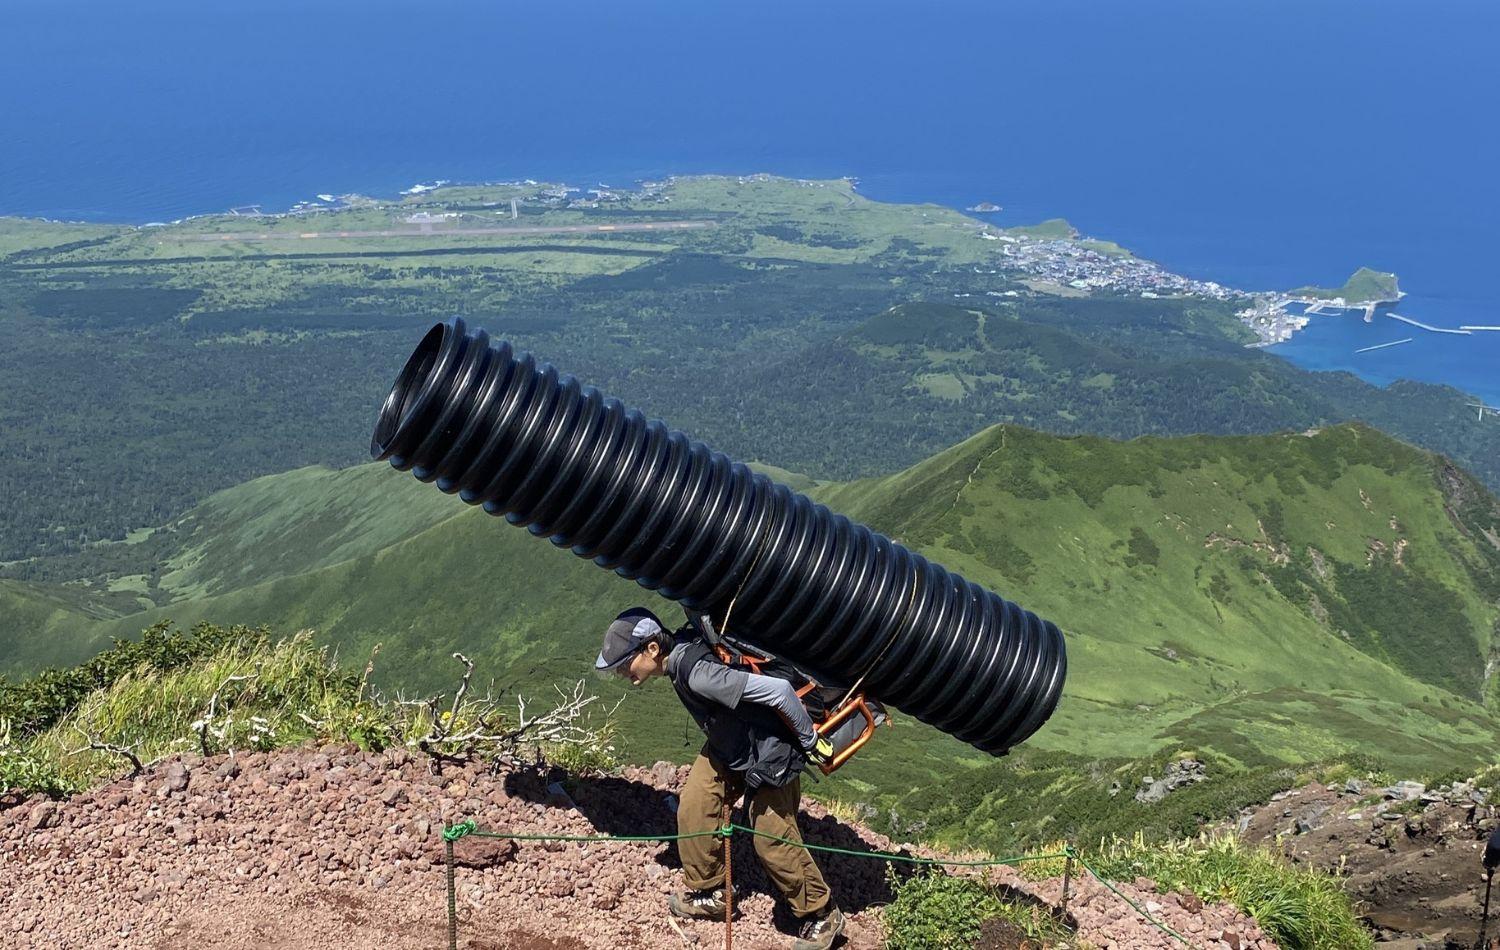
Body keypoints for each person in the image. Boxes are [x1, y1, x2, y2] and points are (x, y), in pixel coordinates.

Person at [596, 607, 845, 950]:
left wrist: (809, 741)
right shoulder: (681, 652)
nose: (624, 673)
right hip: (731, 742)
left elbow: (780, 694)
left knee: (769, 834)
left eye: (625, 663)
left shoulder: (696, 673)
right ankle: (713, 893)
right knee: (695, 806)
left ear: (652, 649)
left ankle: (821, 915)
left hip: (772, 745)